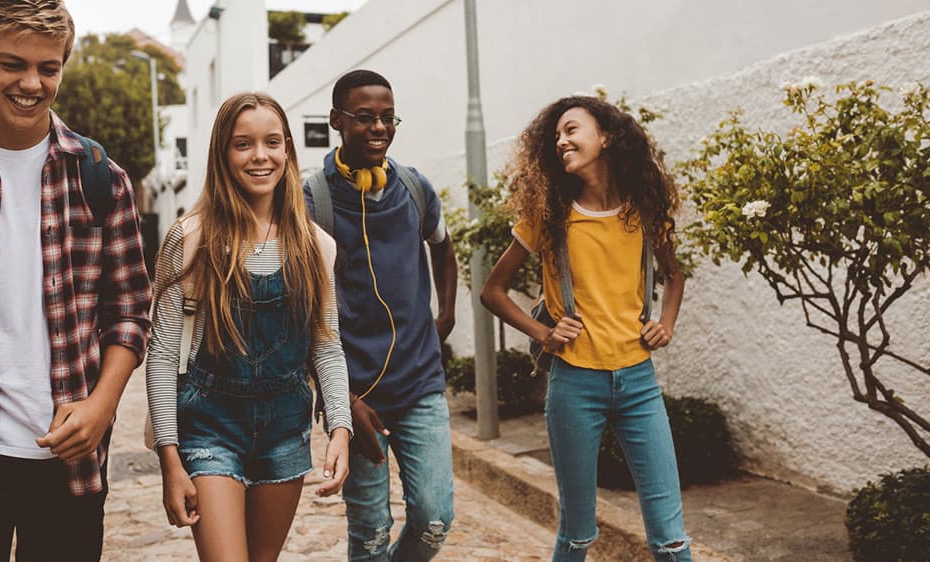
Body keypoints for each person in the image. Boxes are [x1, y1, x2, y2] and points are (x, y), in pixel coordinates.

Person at [0, 1, 152, 560]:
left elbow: (129, 309)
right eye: (13, 64)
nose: (32, 83)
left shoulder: (102, 177)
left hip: (68, 468)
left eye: (48, 68)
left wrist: (102, 406)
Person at [481, 95, 693, 562]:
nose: (562, 141)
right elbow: (492, 290)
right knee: (578, 531)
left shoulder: (644, 211)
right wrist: (542, 334)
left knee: (671, 538)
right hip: (575, 383)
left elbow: (675, 275)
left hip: (639, 382)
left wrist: (667, 323)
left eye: (572, 130)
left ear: (607, 137)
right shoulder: (549, 216)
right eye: (556, 135)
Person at [146, 91, 352, 562]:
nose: (260, 156)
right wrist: (169, 457)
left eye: (272, 142)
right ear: (222, 153)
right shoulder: (191, 238)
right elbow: (160, 354)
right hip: (210, 428)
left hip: (285, 430)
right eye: (243, 144)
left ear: (287, 152)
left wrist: (339, 427)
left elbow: (326, 345)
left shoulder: (315, 245)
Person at [302, 69, 458, 561]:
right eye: (365, 117)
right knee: (369, 532)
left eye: (388, 118)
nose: (379, 128)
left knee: (435, 519)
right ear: (336, 121)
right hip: (356, 396)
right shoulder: (312, 202)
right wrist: (340, 401)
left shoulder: (414, 188)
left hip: (419, 385)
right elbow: (300, 312)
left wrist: (445, 316)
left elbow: (444, 246)